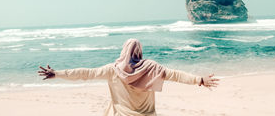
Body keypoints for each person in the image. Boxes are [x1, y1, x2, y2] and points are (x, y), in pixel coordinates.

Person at [38, 38, 219, 116]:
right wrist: (200, 80)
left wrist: (58, 74)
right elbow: (176, 75)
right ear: (139, 51)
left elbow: (86, 73)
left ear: (123, 50)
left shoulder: (112, 70)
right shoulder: (153, 68)